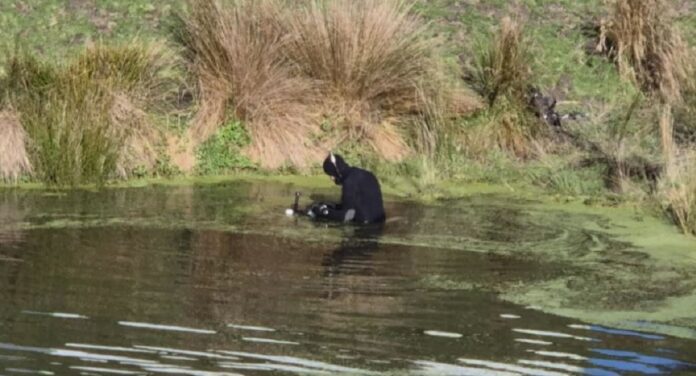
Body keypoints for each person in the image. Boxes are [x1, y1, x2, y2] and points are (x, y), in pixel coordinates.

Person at [307, 153, 386, 224]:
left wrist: (322, 212)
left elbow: (347, 215)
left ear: (336, 171)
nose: (331, 178)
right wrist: (332, 206)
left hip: (365, 229)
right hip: (380, 222)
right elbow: (356, 204)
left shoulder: (349, 182)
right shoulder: (365, 174)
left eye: (331, 174)